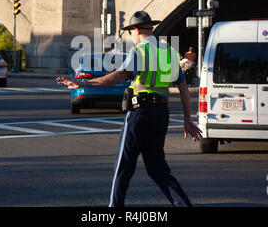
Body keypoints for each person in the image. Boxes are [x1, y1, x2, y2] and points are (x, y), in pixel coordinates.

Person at [57, 11, 202, 207]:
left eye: (130, 33)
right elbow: (184, 89)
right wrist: (187, 119)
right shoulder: (167, 52)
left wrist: (84, 84)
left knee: (123, 167)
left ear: (135, 30)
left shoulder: (139, 51)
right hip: (161, 114)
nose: (131, 37)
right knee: (158, 170)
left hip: (139, 114)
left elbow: (118, 76)